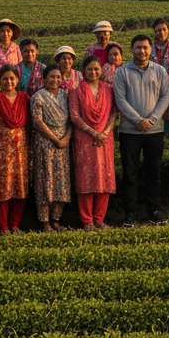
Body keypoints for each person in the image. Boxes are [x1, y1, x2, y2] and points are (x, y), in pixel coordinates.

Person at [113, 34, 169, 227]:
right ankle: (129, 212)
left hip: (154, 132)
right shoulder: (121, 72)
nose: (142, 51)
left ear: (150, 49)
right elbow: (120, 100)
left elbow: (165, 97)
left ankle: (153, 211)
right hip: (130, 132)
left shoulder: (160, 71)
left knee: (153, 173)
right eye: (138, 48)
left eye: (145, 47)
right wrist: (138, 120)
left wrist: (152, 119)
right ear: (132, 50)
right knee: (130, 174)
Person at [68, 55, 118, 229]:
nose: (93, 72)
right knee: (86, 179)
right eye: (90, 69)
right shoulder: (76, 89)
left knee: (104, 178)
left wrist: (104, 132)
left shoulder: (109, 89)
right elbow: (74, 116)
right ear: (83, 71)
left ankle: (99, 218)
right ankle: (87, 220)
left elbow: (113, 113)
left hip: (105, 138)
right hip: (84, 138)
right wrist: (93, 133)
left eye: (97, 69)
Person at [0, 63, 31, 234]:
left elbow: (30, 125)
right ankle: (3, 226)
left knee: (20, 188)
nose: (8, 82)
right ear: (0, 80)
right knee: (2, 189)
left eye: (12, 78)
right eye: (5, 79)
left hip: (21, 151)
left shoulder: (24, 98)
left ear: (17, 80)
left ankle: (15, 224)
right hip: (1, 151)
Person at [30, 64, 73, 231]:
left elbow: (72, 119)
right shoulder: (38, 97)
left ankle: (56, 220)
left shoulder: (66, 95)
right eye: (52, 77)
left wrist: (66, 138)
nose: (55, 80)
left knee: (61, 182)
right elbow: (38, 123)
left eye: (58, 77)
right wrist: (55, 139)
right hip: (45, 144)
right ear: (44, 78)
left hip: (63, 144)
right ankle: (44, 222)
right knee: (44, 182)